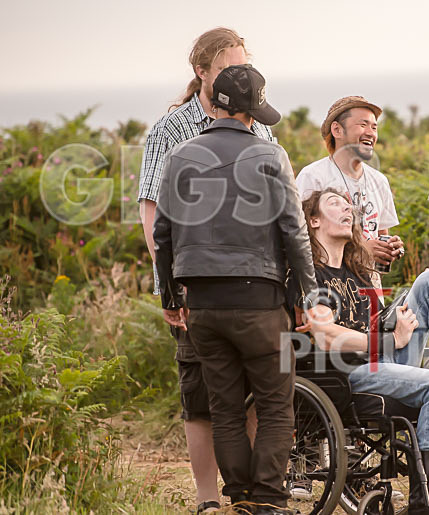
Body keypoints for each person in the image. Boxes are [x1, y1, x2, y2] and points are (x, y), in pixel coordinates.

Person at [154, 64, 316, 515]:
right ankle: (268, 499)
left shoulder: (182, 155)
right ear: (250, 113)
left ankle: (240, 497)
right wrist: (307, 295)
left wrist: (170, 298)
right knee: (275, 406)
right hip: (261, 302)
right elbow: (294, 231)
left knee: (224, 409)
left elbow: (162, 234)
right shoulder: (269, 156)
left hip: (201, 305)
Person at [137, 27, 274, 513]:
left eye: (242, 66)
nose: (236, 76)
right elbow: (154, 214)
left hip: (257, 284)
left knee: (258, 392)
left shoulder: (261, 126)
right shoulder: (171, 130)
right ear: (201, 72)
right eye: (226, 68)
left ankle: (254, 493)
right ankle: (208, 498)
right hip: (196, 284)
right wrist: (170, 287)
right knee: (201, 396)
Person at [299, 188, 429, 515]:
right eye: (335, 205)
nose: (347, 210)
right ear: (313, 221)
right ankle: (424, 497)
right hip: (348, 373)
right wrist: (390, 340)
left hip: (380, 358)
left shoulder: (354, 271)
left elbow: (358, 324)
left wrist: (389, 324)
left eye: (349, 206)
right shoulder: (311, 274)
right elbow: (327, 335)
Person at [295, 96, 404, 278]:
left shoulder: (379, 180)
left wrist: (390, 248)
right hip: (329, 287)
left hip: (370, 290)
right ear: (337, 130)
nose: (371, 133)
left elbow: (381, 234)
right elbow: (301, 240)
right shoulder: (313, 176)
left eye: (374, 127)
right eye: (363, 125)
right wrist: (360, 250)